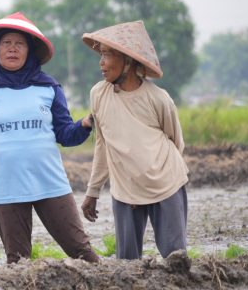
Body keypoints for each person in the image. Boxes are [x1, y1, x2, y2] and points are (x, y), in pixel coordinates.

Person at [0, 12, 99, 264]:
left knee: (82, 252)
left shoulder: (49, 87)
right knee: (18, 262)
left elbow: (66, 135)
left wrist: (84, 124)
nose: (12, 49)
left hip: (50, 184)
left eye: (19, 43)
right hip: (9, 188)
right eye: (6, 43)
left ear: (30, 50)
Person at [80, 20, 189, 260]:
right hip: (125, 189)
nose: (101, 63)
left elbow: (175, 142)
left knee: (176, 259)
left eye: (106, 55)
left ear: (127, 61)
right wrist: (93, 191)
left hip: (165, 184)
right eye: (100, 55)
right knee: (127, 265)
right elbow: (103, 145)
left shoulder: (158, 98)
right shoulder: (99, 94)